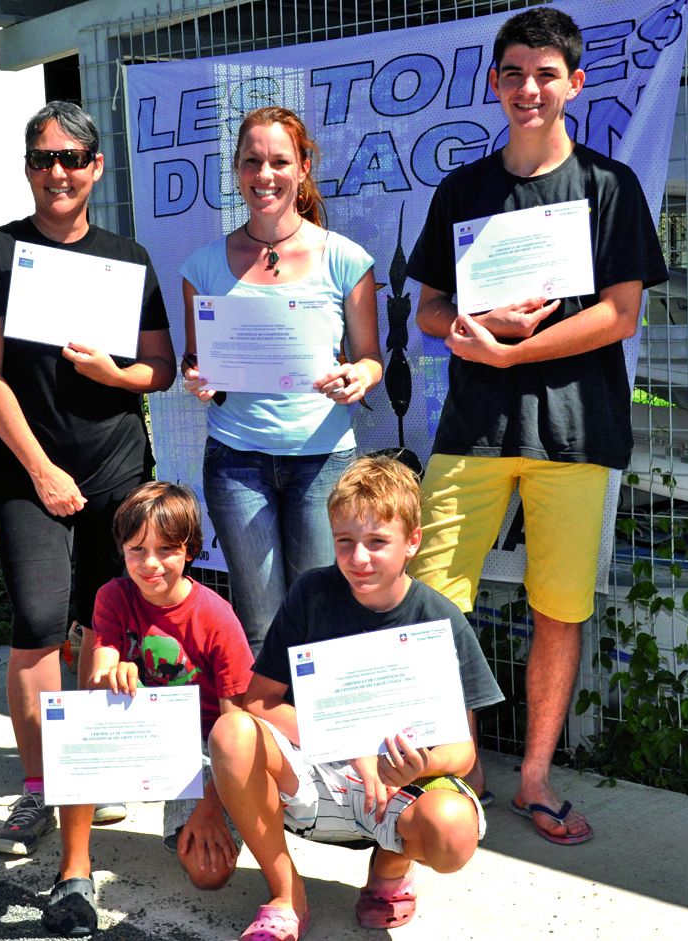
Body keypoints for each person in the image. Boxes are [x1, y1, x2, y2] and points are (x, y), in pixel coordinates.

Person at [405, 7, 669, 845]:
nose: (528, 88)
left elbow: (620, 315)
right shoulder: (464, 190)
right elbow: (428, 310)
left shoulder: (608, 187)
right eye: (513, 72)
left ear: (574, 83)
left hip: (573, 430)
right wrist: (467, 333)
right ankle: (458, 770)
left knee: (558, 608)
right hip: (472, 428)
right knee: (430, 599)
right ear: (494, 82)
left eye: (545, 73)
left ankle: (533, 778)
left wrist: (519, 352)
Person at [0, 101, 176, 857]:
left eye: (72, 158)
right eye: (43, 158)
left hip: (117, 463)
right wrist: (41, 469)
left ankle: (87, 764)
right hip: (31, 471)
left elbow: (161, 370)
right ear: (27, 168)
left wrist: (115, 373)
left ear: (95, 167)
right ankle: (38, 785)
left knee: (103, 623)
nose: (58, 172)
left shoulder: (127, 255)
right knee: (38, 625)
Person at [208, 455, 503, 941]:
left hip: (399, 784)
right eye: (344, 541)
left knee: (452, 831)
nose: (358, 558)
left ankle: (390, 871)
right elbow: (258, 703)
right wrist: (349, 744)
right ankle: (285, 895)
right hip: (318, 767)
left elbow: (464, 753)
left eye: (377, 542)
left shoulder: (441, 618)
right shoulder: (311, 594)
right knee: (230, 732)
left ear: (412, 541)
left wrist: (417, 766)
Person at [180, 106, 384, 657]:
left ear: (304, 168)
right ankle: (276, 740)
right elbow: (196, 362)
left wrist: (357, 378)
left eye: (278, 161)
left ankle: (327, 744)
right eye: (252, 162)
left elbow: (370, 357)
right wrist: (198, 379)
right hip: (236, 461)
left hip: (322, 462)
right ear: (237, 170)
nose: (264, 175)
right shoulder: (202, 266)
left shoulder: (344, 258)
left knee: (323, 619)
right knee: (262, 625)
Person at [42, 481, 254, 937]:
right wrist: (113, 670)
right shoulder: (113, 596)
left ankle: (197, 812)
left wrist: (210, 806)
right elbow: (100, 669)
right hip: (139, 726)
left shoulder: (217, 617)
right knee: (78, 724)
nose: (150, 563)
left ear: (191, 550)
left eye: (166, 549)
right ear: (121, 549)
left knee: (208, 875)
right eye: (137, 549)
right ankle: (75, 869)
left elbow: (237, 724)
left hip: (201, 748)